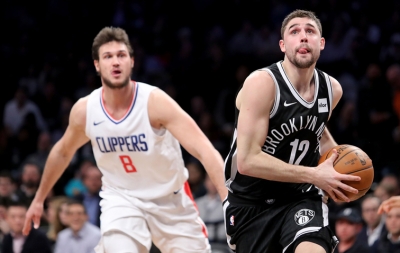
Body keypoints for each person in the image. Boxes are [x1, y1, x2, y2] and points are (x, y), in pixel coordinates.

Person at [22, 26, 227, 253]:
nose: (115, 62)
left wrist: (227, 199)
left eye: (121, 55)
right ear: (97, 65)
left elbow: (204, 150)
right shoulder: (85, 110)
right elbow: (62, 152)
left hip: (170, 199)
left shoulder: (155, 102)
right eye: (108, 57)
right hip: (122, 199)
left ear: (132, 61)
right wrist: (39, 198)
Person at [223, 9, 361, 253]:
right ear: (283, 45)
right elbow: (247, 161)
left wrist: (341, 170)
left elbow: (317, 131)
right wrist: (315, 175)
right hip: (251, 203)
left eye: (310, 31)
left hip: (300, 197)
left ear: (322, 43)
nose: (303, 37)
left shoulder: (332, 90)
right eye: (294, 31)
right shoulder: (262, 83)